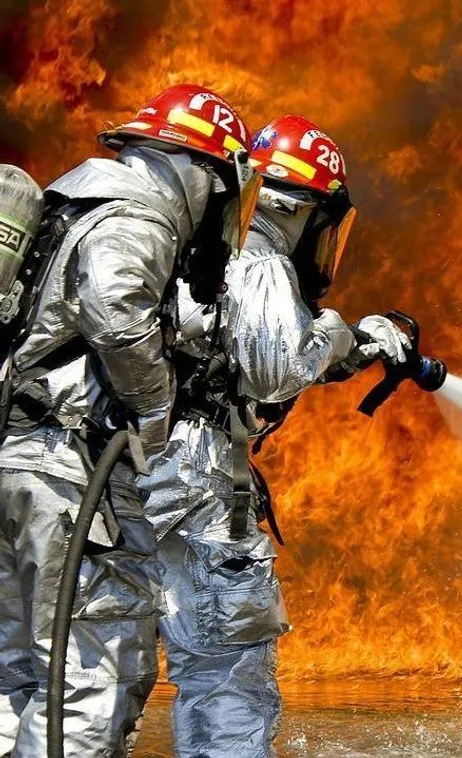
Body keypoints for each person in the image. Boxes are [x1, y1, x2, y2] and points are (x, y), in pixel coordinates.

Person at [0, 84, 259, 756]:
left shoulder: (71, 202)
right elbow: (116, 309)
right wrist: (153, 412)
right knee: (93, 674)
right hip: (66, 474)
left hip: (17, 455)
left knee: (19, 676)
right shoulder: (136, 216)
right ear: (198, 171)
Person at [142, 114, 411, 757]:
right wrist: (353, 333)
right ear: (306, 210)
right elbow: (275, 367)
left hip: (133, 473)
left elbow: (234, 348)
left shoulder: (191, 245)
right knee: (227, 674)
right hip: (197, 483)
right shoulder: (258, 255)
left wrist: (353, 347)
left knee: (104, 668)